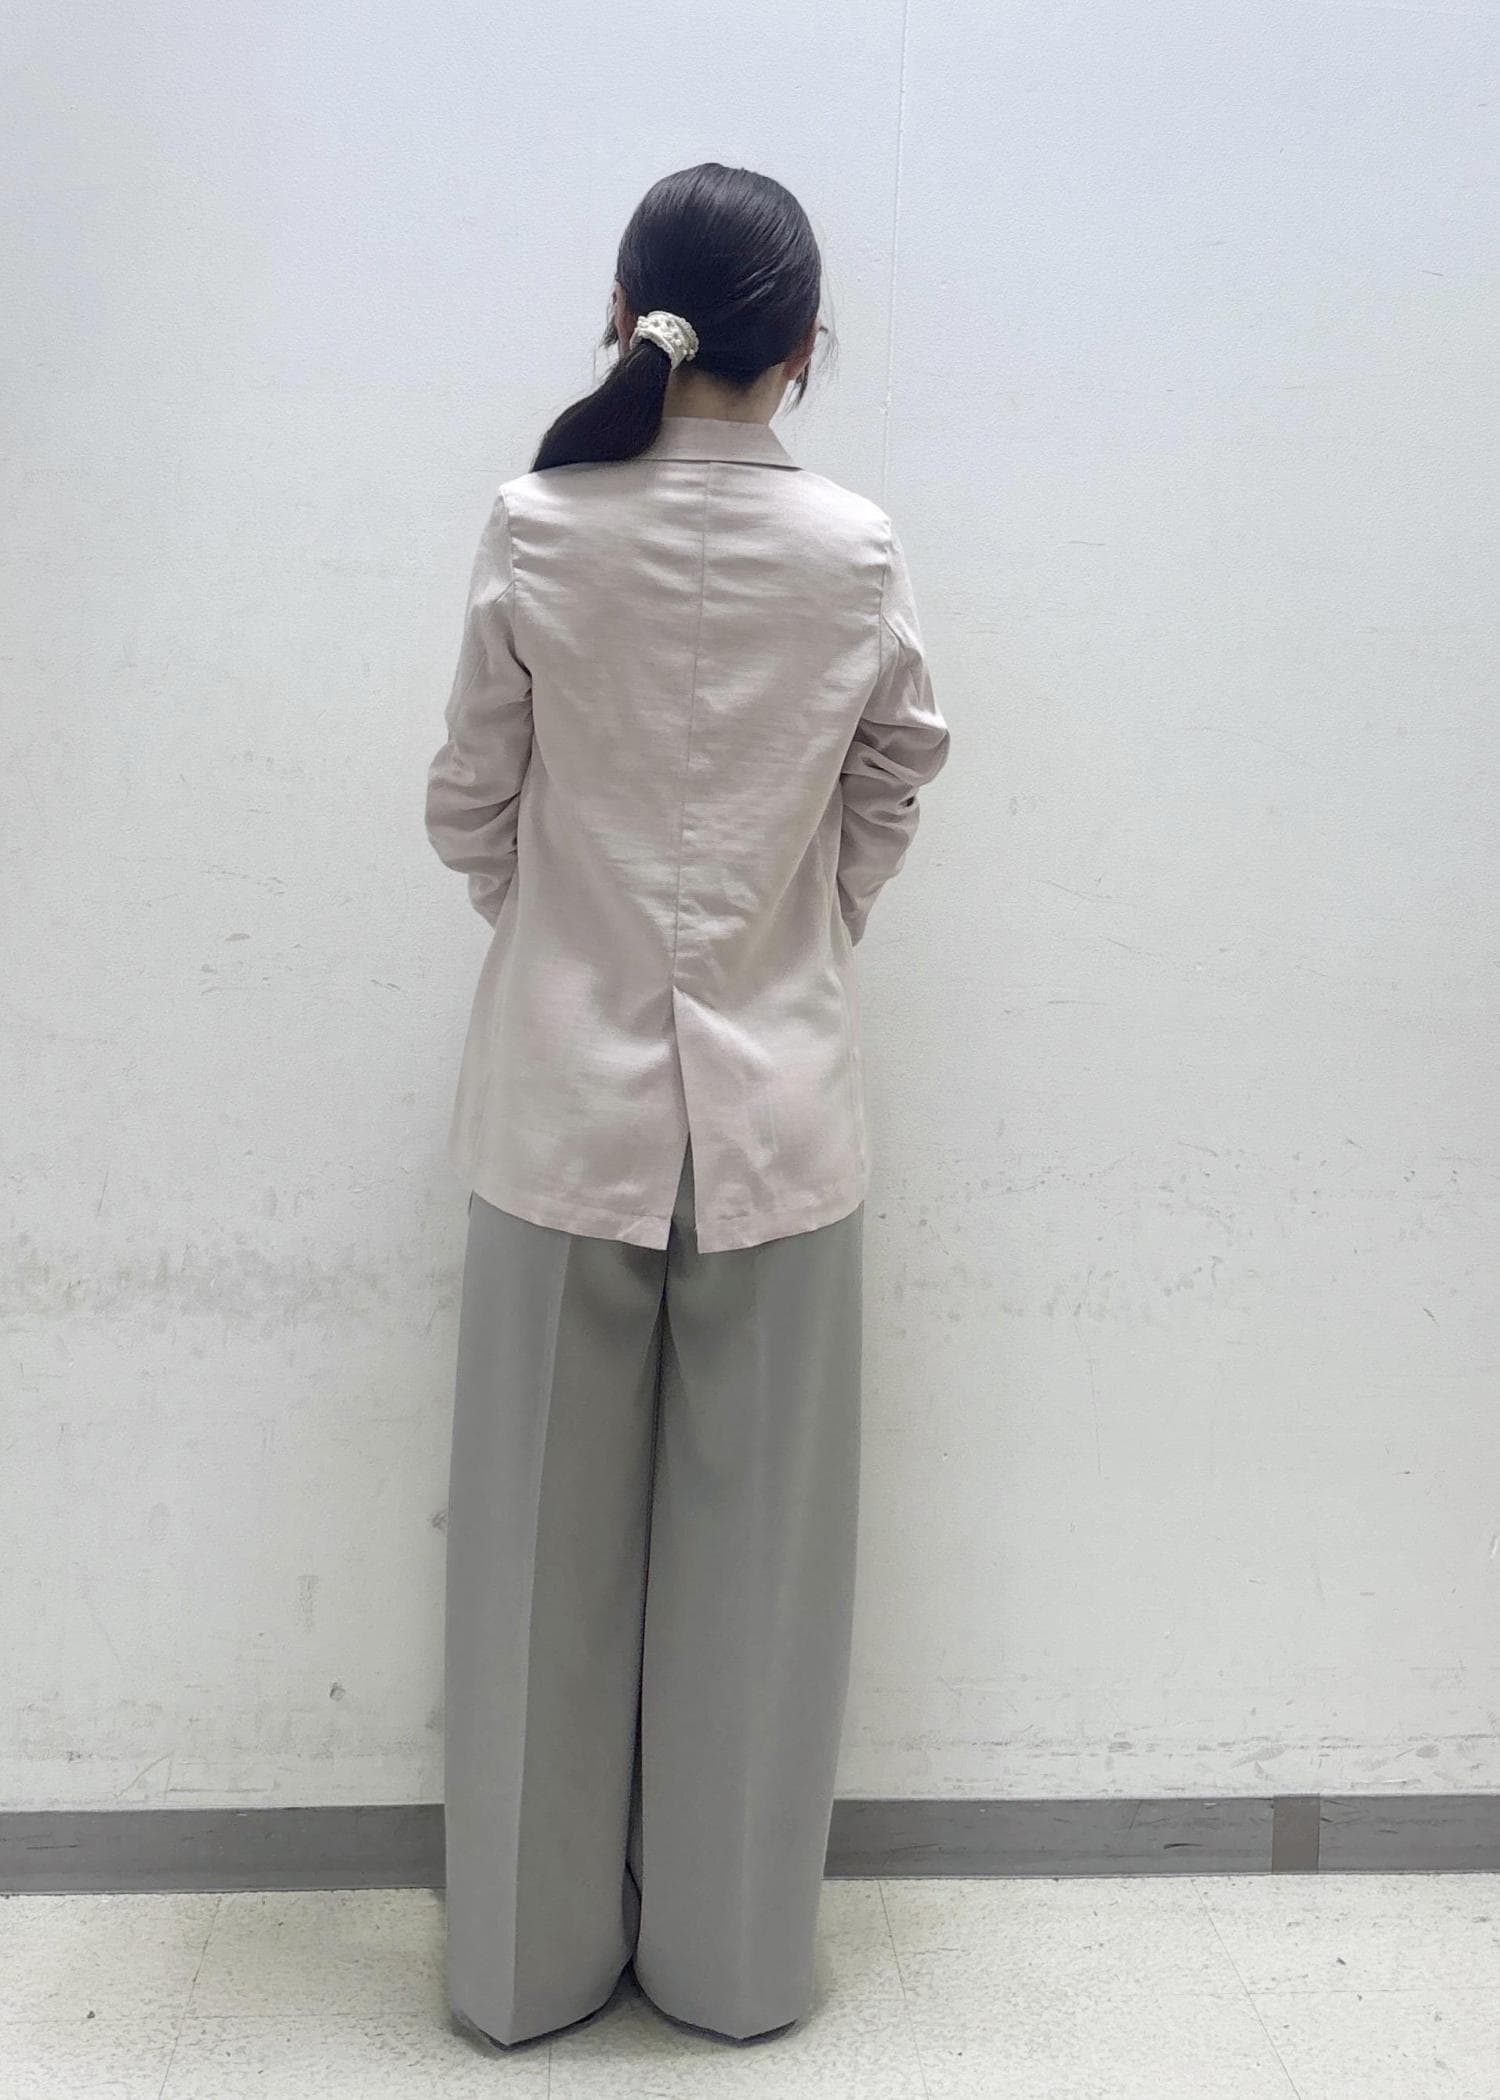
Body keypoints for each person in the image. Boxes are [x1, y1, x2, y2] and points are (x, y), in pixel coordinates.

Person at [424, 161, 951, 2051]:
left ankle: (519, 1973)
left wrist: (565, 933)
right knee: (763, 1569)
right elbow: (896, 774)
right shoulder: (857, 552)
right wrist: (799, 937)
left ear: (625, 313)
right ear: (804, 345)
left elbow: (467, 803)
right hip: (783, 1111)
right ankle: (732, 1973)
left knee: (530, 1562)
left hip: (557, 1110)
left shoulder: (538, 522)